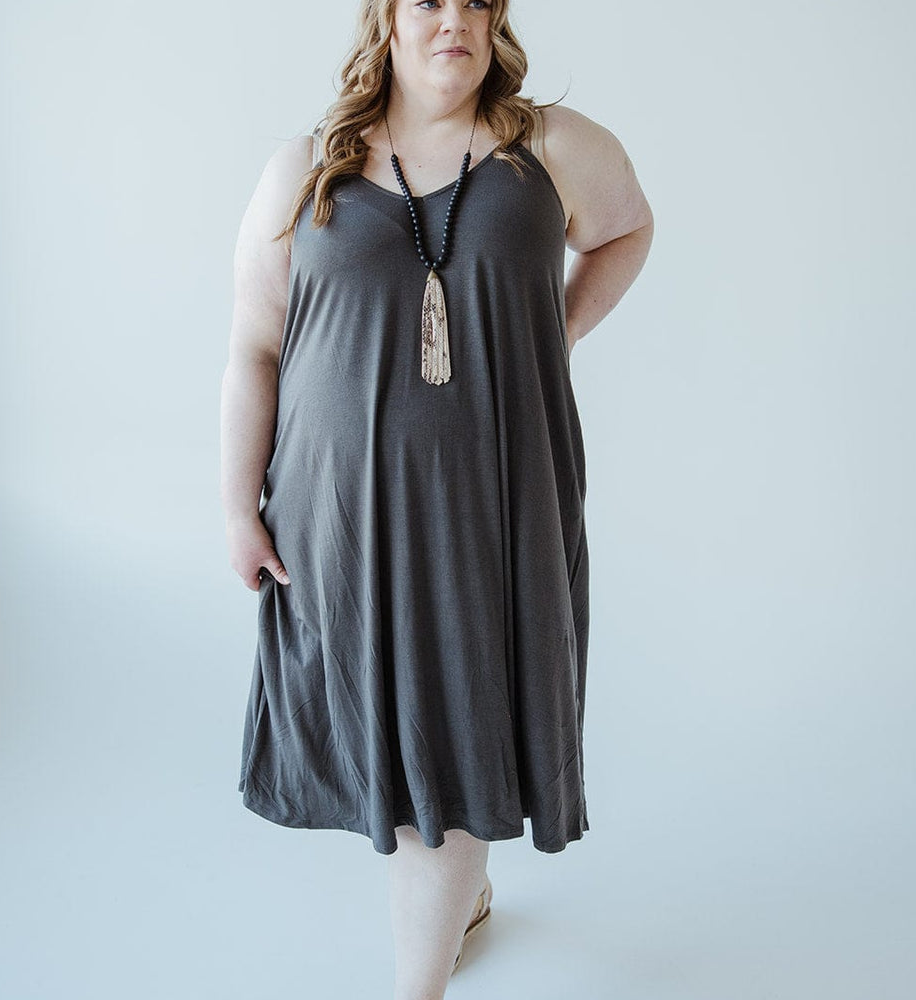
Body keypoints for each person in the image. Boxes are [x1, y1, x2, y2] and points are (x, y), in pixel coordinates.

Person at [220, 0, 653, 995]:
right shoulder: (306, 165)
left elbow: (626, 228)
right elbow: (254, 342)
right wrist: (238, 507)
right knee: (412, 722)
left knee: (463, 707)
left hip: (497, 496)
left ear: (495, 17)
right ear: (386, 18)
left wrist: (556, 331)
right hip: (342, 511)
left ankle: (418, 980)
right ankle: (464, 896)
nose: (450, 16)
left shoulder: (547, 146)